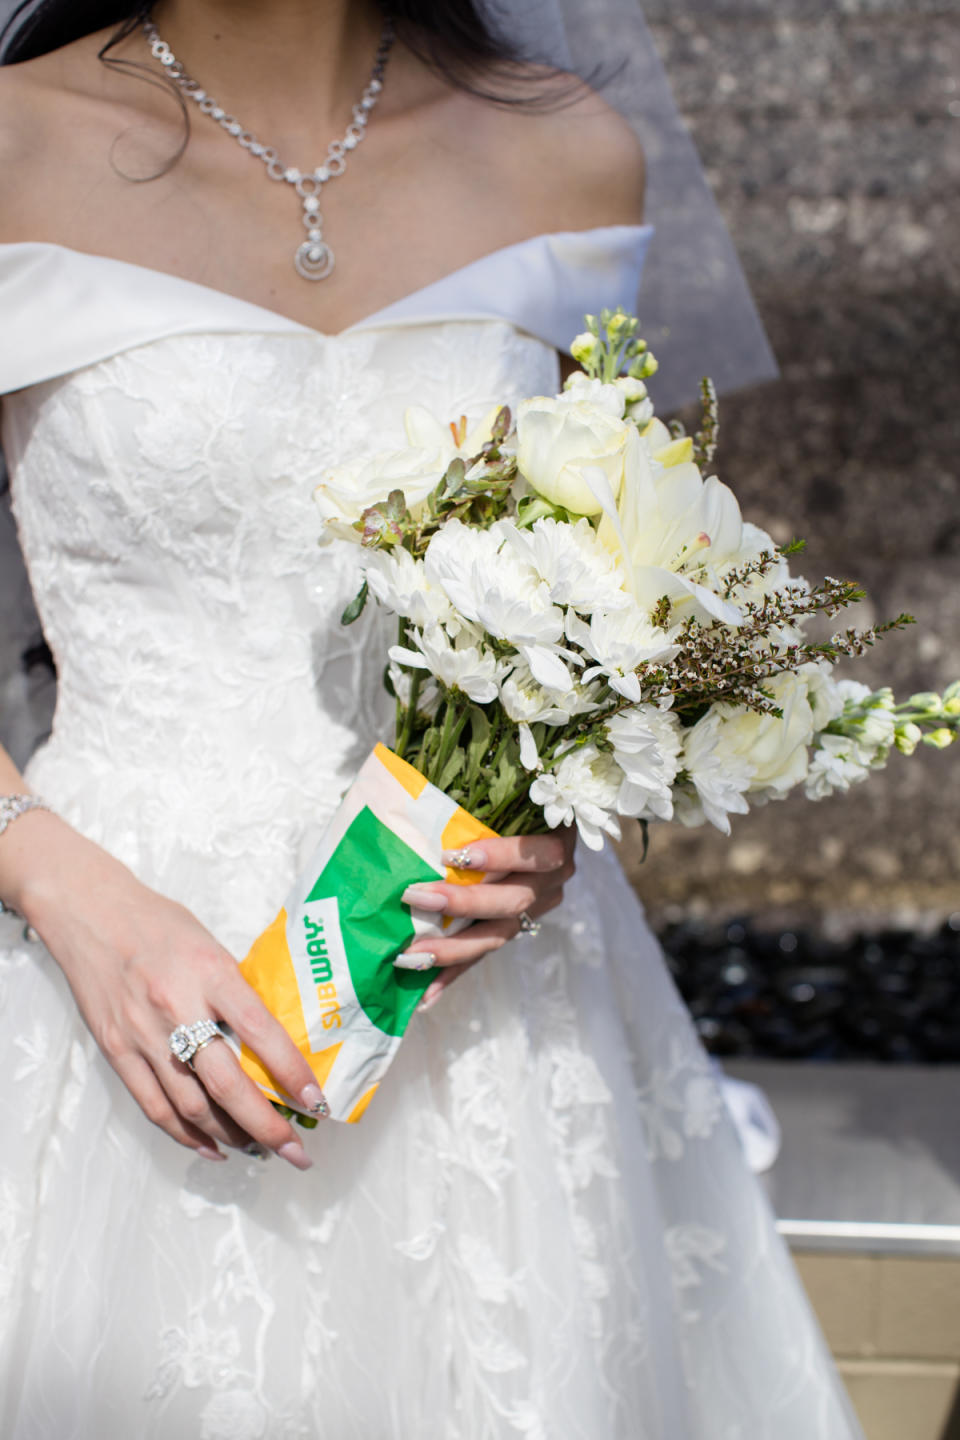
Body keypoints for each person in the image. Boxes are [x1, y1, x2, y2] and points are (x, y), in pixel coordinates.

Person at [0, 2, 863, 1435]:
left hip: (490, 1024)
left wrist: (558, 818)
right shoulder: (14, 147)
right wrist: (63, 885)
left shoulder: (572, 154)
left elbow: (608, 591)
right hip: (113, 997)